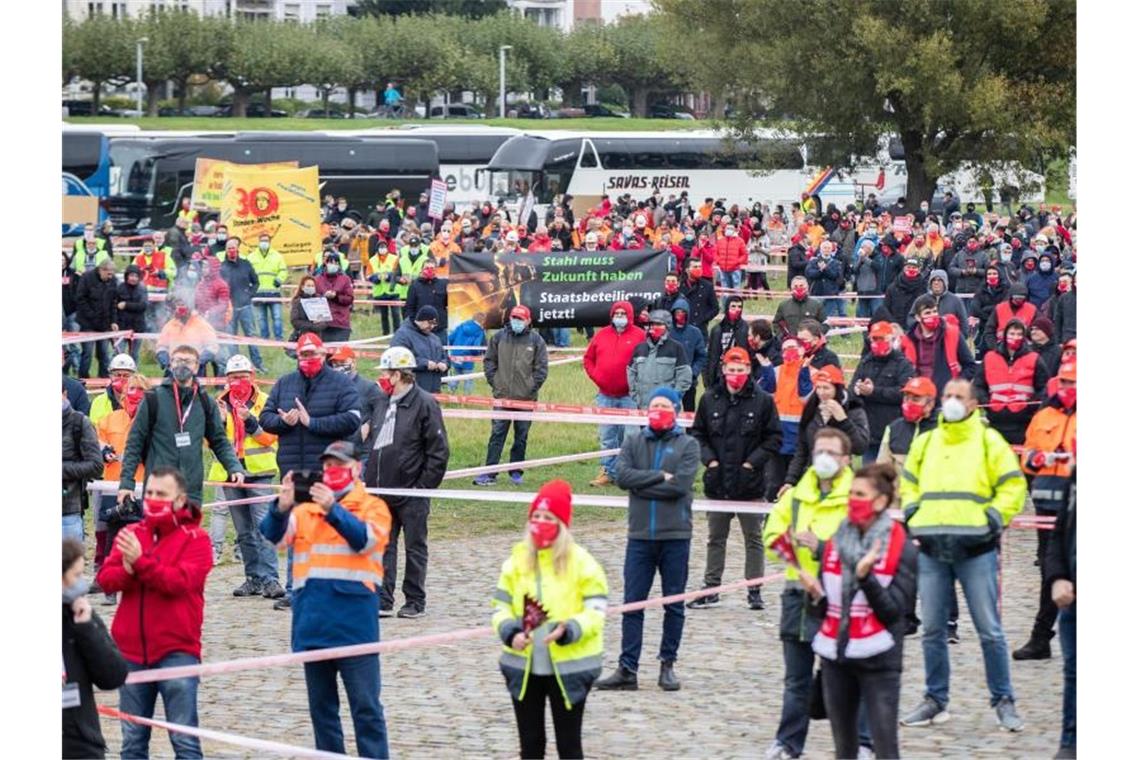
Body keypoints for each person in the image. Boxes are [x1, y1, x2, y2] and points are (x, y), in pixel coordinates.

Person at [898, 379, 1027, 732]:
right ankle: (934, 700)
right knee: (933, 630)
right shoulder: (925, 442)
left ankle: (1004, 701)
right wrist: (912, 513)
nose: (952, 401)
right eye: (948, 395)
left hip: (977, 549)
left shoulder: (989, 441)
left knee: (990, 631)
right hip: (932, 547)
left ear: (973, 405)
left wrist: (994, 518)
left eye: (959, 396)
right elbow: (908, 482)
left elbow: (1014, 484)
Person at [260, 442, 393, 759]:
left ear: (356, 469)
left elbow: (365, 541)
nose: (332, 471)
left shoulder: (374, 507)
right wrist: (281, 506)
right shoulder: (305, 510)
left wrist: (333, 509)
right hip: (313, 628)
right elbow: (273, 536)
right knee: (323, 715)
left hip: (355, 631)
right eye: (328, 465)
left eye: (339, 465)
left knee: (367, 710)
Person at [804, 463, 918, 760]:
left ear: (880, 501)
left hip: (879, 659)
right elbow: (823, 610)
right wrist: (814, 595)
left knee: (884, 746)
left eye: (860, 494)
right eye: (851, 492)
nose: (852, 499)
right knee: (844, 749)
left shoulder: (900, 546)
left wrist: (866, 578)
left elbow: (895, 614)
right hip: (837, 656)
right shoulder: (835, 541)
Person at [98, 467, 213, 760]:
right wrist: (128, 567)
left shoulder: (196, 539)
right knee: (132, 743)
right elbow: (106, 580)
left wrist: (140, 562)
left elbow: (178, 583)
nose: (152, 499)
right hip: (130, 653)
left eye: (161, 494)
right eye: (148, 492)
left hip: (177, 651)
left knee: (185, 741)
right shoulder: (130, 532)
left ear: (179, 499)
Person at [492, 480, 609, 759]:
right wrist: (510, 632)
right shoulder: (515, 562)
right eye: (536, 517)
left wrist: (571, 630)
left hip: (569, 666)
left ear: (562, 523)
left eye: (547, 517)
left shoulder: (583, 563)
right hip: (524, 666)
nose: (540, 523)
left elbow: (596, 611)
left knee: (569, 746)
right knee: (530, 745)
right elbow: (500, 608)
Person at [762, 428, 857, 760]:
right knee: (796, 680)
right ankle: (788, 743)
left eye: (832, 453)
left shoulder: (858, 499)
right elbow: (772, 534)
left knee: (846, 679)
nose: (825, 459)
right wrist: (796, 562)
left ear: (846, 459)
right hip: (798, 597)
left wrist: (822, 548)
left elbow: (867, 547)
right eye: (820, 452)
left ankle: (857, 745)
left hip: (844, 601)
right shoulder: (795, 496)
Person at [597, 387, 700, 692]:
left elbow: (680, 486)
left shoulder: (688, 445)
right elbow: (623, 477)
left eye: (664, 405)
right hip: (640, 536)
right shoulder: (633, 441)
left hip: (675, 536)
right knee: (632, 604)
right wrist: (658, 477)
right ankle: (627, 668)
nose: (657, 410)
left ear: (676, 410)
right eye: (654, 405)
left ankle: (667, 664)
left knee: (674, 603)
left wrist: (642, 485)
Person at [259, 333, 362, 610]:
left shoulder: (340, 383)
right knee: (298, 530)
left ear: (324, 354)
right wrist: (283, 421)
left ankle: (332, 583)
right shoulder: (285, 383)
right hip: (294, 469)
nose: (308, 360)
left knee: (330, 529)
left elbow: (352, 419)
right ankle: (295, 588)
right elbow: (264, 418)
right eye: (303, 355)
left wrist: (312, 422)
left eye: (312, 355)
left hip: (329, 471)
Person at [688, 348, 782, 611]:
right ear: (723, 369)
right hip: (717, 483)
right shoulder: (709, 398)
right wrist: (711, 461)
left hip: (750, 485)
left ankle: (754, 589)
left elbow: (774, 438)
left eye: (740, 371)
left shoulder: (763, 401)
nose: (736, 376)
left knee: (754, 539)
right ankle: (711, 588)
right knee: (715, 538)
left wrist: (752, 463)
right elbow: (697, 433)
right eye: (732, 371)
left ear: (749, 371)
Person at [364, 347, 450, 618]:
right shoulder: (380, 402)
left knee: (415, 546)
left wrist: (422, 487)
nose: (383, 378)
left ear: (399, 374)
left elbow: (439, 451)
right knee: (384, 546)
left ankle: (414, 600)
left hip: (412, 491)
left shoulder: (425, 403)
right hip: (381, 490)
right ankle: (383, 598)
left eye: (387, 373)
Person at [117, 344, 244, 506]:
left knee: (187, 532)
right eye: (178, 360)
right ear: (170, 364)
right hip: (158, 490)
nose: (182, 365)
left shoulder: (206, 402)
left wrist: (234, 466)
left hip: (190, 491)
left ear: (197, 366)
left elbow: (219, 440)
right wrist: (127, 482)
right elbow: (135, 443)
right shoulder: (152, 399)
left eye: (188, 361)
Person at [1013, 361, 1076, 662]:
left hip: (1077, 503)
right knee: (1052, 571)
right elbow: (1027, 457)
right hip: (1048, 503)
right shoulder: (1042, 417)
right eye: (1064, 382)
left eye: (1073, 383)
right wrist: (1038, 457)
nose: (1068, 389)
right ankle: (1041, 637)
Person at [209, 354, 285, 599]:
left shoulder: (265, 401)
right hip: (229, 474)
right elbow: (208, 442)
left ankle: (271, 579)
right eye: (233, 377)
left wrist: (251, 422)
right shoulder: (218, 404)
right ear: (226, 379)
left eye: (242, 376)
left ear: (252, 377)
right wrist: (219, 423)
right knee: (243, 531)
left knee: (264, 527)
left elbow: (271, 437)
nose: (238, 381)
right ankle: (253, 578)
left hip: (259, 471)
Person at [62, 538, 129, 759]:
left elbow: (113, 676)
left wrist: (87, 629)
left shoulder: (78, 614)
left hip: (80, 741)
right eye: (77, 576)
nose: (82, 584)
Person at [475, 305, 549, 486]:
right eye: (514, 317)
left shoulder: (536, 340)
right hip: (502, 397)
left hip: (526, 399)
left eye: (520, 318)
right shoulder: (498, 337)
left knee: (521, 437)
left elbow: (541, 369)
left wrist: (530, 387)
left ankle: (516, 471)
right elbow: (489, 361)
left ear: (528, 320)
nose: (517, 321)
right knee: (497, 435)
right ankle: (490, 472)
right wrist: (496, 383)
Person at [584, 301, 646, 487]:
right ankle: (608, 471)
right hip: (605, 395)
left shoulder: (640, 336)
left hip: (630, 396)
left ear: (630, 315)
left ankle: (629, 473)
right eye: (616, 313)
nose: (619, 316)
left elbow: (646, 363)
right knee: (607, 436)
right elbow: (588, 359)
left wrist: (636, 384)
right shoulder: (601, 334)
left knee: (631, 436)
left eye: (623, 313)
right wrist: (597, 376)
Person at [782, 365, 870, 490]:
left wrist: (843, 420)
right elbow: (802, 450)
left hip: (841, 480)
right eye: (818, 388)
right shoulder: (811, 409)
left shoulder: (854, 410)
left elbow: (860, 447)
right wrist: (790, 480)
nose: (821, 393)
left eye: (826, 388)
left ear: (837, 389)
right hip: (811, 478)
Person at [973, 318, 1050, 445]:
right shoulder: (990, 358)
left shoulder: (1034, 359)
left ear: (1024, 337)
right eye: (1012, 334)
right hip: (996, 420)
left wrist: (1028, 406)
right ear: (1005, 335)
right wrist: (988, 405)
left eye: (1019, 334)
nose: (1015, 337)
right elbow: (978, 385)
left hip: (1023, 422)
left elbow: (1044, 388)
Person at [1044, 468, 1077, 758]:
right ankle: (1070, 743)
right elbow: (1060, 531)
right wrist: (1057, 576)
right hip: (1073, 596)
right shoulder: (1078, 476)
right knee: (1074, 671)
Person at [759, 337, 814, 500]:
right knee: (773, 485)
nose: (788, 352)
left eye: (792, 347)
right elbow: (764, 397)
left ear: (802, 350)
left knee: (799, 487)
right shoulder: (775, 371)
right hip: (778, 438)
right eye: (784, 349)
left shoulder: (814, 373)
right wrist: (766, 373)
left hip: (802, 440)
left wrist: (804, 374)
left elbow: (809, 399)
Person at [852, 321, 916, 454]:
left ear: (892, 339)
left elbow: (904, 394)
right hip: (869, 429)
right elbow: (852, 387)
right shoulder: (865, 362)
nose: (877, 342)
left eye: (881, 338)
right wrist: (858, 390)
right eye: (874, 339)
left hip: (893, 429)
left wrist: (873, 392)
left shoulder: (903, 364)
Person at [899, 295, 976, 395]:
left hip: (946, 396)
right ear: (918, 317)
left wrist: (956, 383)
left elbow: (970, 366)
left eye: (934, 311)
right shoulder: (908, 340)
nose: (932, 315)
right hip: (919, 395)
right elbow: (901, 369)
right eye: (927, 313)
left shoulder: (953, 333)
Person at [627, 309, 693, 410]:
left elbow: (684, 377)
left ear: (667, 326)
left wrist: (673, 398)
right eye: (652, 324)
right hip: (642, 407)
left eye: (659, 324)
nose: (655, 327)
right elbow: (631, 372)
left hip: (667, 408)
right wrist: (636, 397)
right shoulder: (640, 348)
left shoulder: (676, 348)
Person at [220, 238, 266, 371]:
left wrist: (249, 294)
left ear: (238, 249)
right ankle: (235, 365)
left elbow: (256, 282)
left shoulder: (246, 264)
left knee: (250, 336)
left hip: (246, 306)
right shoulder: (222, 267)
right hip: (230, 308)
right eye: (229, 248)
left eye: (233, 248)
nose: (231, 251)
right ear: (226, 251)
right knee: (231, 338)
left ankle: (258, 364)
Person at [63, 391, 103, 544]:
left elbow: (96, 466)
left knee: (69, 568)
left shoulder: (79, 422)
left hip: (68, 513)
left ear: (65, 394)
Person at [329, 346, 384, 457]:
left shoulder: (369, 387)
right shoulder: (329, 387)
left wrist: (369, 425)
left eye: (342, 361)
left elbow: (384, 408)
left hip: (361, 451)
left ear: (353, 363)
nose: (338, 366)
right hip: (336, 449)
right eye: (335, 363)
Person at [75, 258, 119, 379]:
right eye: (108, 274)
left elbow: (114, 303)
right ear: (101, 270)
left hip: (104, 324)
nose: (110, 277)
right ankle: (83, 378)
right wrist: (91, 316)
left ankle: (104, 378)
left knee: (104, 353)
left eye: (112, 274)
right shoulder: (86, 278)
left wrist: (114, 321)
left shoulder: (113, 281)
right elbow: (80, 299)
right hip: (87, 323)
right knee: (87, 353)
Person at [155, 298, 223, 378]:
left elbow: (212, 347)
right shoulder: (169, 325)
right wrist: (165, 361)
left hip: (196, 369)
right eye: (177, 306)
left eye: (183, 306)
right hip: (173, 367)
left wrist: (199, 362)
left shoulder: (202, 325)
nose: (180, 310)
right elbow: (161, 347)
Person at [391, 306, 450, 392]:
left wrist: (445, 364)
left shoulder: (435, 339)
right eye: (430, 323)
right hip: (411, 390)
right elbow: (399, 358)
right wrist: (425, 363)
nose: (432, 326)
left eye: (434, 324)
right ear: (421, 319)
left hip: (433, 390)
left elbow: (444, 357)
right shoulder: (402, 335)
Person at [669, 297, 708, 412]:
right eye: (677, 312)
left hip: (689, 382)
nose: (680, 315)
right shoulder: (667, 331)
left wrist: (693, 372)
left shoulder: (695, 332)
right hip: (670, 380)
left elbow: (701, 356)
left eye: (683, 312)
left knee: (689, 411)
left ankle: (690, 431)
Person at [705, 296, 750, 389]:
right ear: (727, 308)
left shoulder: (745, 328)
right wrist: (709, 378)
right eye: (733, 306)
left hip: (739, 371)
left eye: (739, 307)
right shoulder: (717, 329)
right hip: (719, 373)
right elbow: (711, 355)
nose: (737, 309)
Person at [982, 282, 1036, 353]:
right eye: (1016, 298)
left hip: (1025, 348)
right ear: (1010, 296)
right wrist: (995, 348)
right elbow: (989, 330)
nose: (1019, 301)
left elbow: (1037, 331)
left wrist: (1026, 332)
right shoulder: (999, 308)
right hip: (1002, 347)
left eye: (1022, 298)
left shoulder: (1032, 309)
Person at [404, 257, 449, 342]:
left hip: (439, 329)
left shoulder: (443, 284)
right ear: (421, 270)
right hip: (421, 330)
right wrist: (414, 325)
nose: (429, 270)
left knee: (442, 353)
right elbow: (409, 308)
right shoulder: (415, 286)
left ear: (436, 270)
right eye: (427, 268)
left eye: (432, 268)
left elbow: (449, 304)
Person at [314, 250, 356, 342]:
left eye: (335, 262)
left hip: (340, 322)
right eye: (330, 262)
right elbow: (312, 298)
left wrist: (336, 297)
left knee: (338, 354)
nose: (333, 264)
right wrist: (323, 297)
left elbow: (349, 298)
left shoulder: (345, 279)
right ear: (326, 263)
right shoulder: (317, 280)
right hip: (322, 323)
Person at [446, 311, 487, 394]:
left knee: (457, 376)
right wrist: (477, 354)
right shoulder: (479, 331)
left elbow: (450, 338)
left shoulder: (462, 326)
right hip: (468, 358)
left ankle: (450, 392)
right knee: (468, 379)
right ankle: (467, 397)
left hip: (455, 355)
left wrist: (452, 350)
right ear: (483, 321)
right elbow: (476, 347)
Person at [805, 240, 846, 320]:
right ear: (820, 249)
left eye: (828, 248)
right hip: (816, 293)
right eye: (824, 248)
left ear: (831, 250)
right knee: (814, 317)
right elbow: (810, 274)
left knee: (829, 318)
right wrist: (820, 271)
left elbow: (835, 275)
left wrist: (825, 269)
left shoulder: (836, 263)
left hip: (830, 294)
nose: (826, 250)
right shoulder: (813, 261)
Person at [115, 265, 148, 362]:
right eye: (131, 276)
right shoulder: (120, 288)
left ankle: (134, 375)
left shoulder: (142, 289)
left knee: (134, 354)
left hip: (138, 326)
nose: (133, 278)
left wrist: (126, 305)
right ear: (127, 276)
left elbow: (143, 306)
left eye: (136, 276)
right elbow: (115, 306)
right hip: (122, 326)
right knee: (118, 353)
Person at [881, 257, 927, 327]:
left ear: (919, 270)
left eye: (914, 267)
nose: (911, 269)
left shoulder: (924, 287)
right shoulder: (892, 288)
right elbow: (886, 309)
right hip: (896, 327)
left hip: (916, 328)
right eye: (908, 267)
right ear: (903, 268)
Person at [680, 256, 719, 334]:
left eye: (700, 267)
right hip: (681, 328)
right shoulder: (679, 286)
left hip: (700, 329)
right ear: (687, 270)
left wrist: (703, 319)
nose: (698, 269)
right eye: (695, 267)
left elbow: (715, 308)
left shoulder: (707, 286)